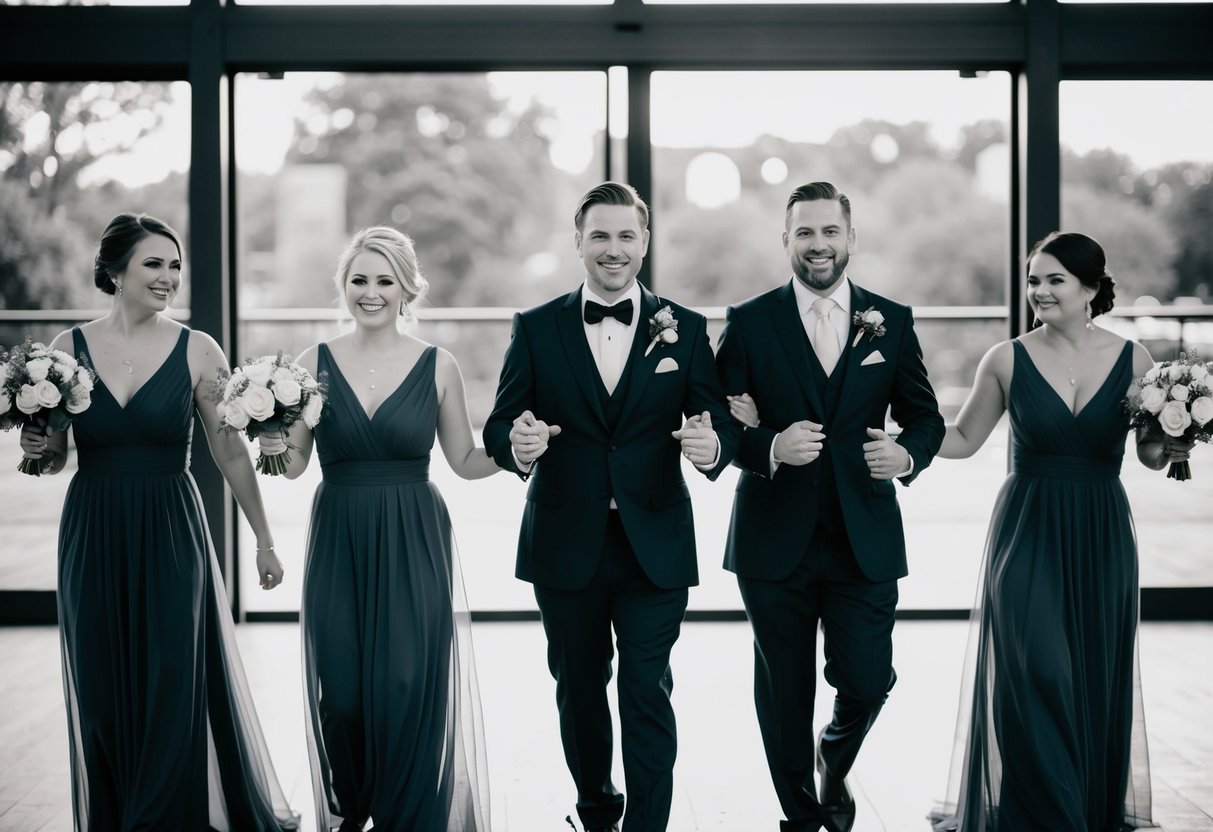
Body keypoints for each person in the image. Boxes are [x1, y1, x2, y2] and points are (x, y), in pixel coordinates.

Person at [18, 212, 298, 830]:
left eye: (175, 265)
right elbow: (58, 453)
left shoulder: (200, 349)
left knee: (172, 676)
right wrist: (39, 448)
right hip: (93, 527)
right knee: (101, 685)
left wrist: (265, 540)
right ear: (115, 271)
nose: (169, 276)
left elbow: (228, 449)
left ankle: (163, 820)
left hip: (172, 527)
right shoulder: (66, 351)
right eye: (154, 263)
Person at [483, 182, 739, 832]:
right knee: (579, 689)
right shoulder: (536, 327)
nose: (613, 249)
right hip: (564, 542)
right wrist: (518, 441)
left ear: (645, 242)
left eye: (626, 235)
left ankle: (646, 825)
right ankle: (596, 809)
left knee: (645, 689)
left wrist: (711, 444)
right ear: (577, 241)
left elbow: (716, 423)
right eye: (600, 235)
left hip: (654, 541)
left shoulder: (682, 326)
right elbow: (499, 423)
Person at [928, 231, 1190, 831]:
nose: (1038, 291)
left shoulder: (1136, 361)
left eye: (1053, 280)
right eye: (1032, 280)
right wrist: (907, 435)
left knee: (1092, 672)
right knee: (1038, 665)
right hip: (1027, 528)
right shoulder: (1005, 358)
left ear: (1091, 289)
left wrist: (1174, 439)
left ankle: (1079, 807)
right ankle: (1049, 816)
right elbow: (964, 440)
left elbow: (1149, 454)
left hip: (1101, 529)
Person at [716, 181, 945, 832]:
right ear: (785, 239)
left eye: (829, 231)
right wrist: (767, 445)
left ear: (851, 238)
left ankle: (833, 760)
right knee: (785, 692)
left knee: (868, 679)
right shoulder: (749, 322)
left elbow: (923, 418)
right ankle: (802, 816)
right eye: (805, 232)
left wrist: (906, 456)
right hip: (772, 536)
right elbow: (713, 421)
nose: (818, 244)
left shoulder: (889, 320)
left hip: (862, 534)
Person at [258, 226, 493, 832]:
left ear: (406, 288)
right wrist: (272, 440)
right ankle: (353, 811)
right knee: (340, 694)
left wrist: (518, 451)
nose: (371, 291)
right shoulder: (311, 364)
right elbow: (296, 466)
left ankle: (405, 818)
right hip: (339, 534)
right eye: (359, 279)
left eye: (384, 280)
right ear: (344, 285)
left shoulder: (439, 365)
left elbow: (466, 462)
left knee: (405, 684)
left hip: (414, 537)